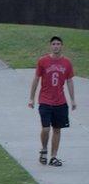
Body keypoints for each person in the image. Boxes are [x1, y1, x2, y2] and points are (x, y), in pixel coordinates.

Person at [28, 35, 76, 167]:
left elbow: (70, 81)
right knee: (46, 128)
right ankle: (44, 149)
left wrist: (73, 100)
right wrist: (31, 98)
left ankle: (53, 157)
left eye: (58, 44)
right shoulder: (43, 61)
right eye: (54, 44)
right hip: (45, 100)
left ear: (62, 46)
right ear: (50, 46)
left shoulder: (67, 63)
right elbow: (36, 79)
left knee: (57, 129)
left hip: (60, 102)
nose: (56, 46)